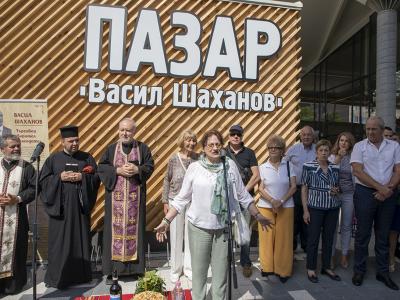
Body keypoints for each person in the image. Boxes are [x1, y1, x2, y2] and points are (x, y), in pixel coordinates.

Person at [155, 130, 272, 300]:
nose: (215, 148)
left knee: (220, 274)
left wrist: (258, 215)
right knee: (199, 273)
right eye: (211, 144)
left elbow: (242, 194)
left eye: (218, 144)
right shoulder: (195, 168)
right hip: (199, 229)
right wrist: (166, 221)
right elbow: (181, 199)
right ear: (204, 147)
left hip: (223, 229)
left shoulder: (229, 166)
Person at [40, 125, 100, 289]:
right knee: (59, 244)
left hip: (80, 210)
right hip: (60, 210)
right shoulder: (53, 159)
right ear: (62, 142)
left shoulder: (87, 158)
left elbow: (96, 178)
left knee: (80, 240)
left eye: (76, 140)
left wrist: (82, 177)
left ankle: (81, 276)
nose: (74, 143)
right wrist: (60, 177)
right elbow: (43, 182)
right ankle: (58, 277)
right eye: (70, 141)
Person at [98, 118, 154, 283]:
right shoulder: (111, 149)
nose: (125, 133)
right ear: (118, 130)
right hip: (115, 203)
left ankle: (135, 270)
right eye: (122, 130)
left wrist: (137, 169)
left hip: (134, 204)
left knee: (135, 233)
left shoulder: (142, 148)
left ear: (134, 131)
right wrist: (117, 170)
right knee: (113, 234)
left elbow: (150, 166)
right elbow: (102, 167)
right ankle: (113, 271)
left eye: (128, 130)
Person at [351, 116, 400, 290]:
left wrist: (389, 188)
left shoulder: (394, 146)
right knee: (362, 235)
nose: (370, 132)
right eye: (368, 129)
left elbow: (398, 170)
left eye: (374, 129)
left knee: (383, 235)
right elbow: (358, 171)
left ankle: (383, 272)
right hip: (365, 193)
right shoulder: (359, 146)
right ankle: (359, 271)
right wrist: (381, 188)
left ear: (381, 129)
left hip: (388, 194)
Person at [258, 135, 296, 282]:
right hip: (265, 206)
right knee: (266, 238)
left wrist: (280, 201)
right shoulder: (262, 167)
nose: (273, 150)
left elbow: (293, 187)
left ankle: (283, 270)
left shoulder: (288, 165)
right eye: (270, 147)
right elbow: (260, 188)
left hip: (286, 205)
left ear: (282, 150)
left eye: (277, 147)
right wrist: (273, 201)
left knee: (284, 239)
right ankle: (266, 267)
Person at [302, 139, 341, 283]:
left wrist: (337, 190)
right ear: (316, 152)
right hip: (315, 207)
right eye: (321, 150)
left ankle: (326, 267)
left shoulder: (335, 167)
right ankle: (311, 268)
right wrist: (305, 210)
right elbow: (304, 188)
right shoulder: (308, 166)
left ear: (329, 152)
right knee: (313, 239)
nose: (324, 153)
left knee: (329, 238)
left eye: (326, 150)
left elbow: (337, 187)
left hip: (332, 207)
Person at [0, 135, 35, 295]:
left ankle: (14, 286)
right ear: (2, 149)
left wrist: (18, 198)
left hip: (18, 218)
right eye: (12, 146)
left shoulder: (27, 167)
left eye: (18, 146)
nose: (16, 149)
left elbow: (34, 189)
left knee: (17, 251)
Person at [162, 129, 198, 283]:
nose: (191, 143)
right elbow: (166, 179)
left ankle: (189, 269)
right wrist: (165, 201)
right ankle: (175, 270)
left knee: (191, 236)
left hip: (193, 201)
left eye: (193, 140)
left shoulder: (199, 158)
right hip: (175, 201)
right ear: (182, 141)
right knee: (176, 235)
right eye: (188, 140)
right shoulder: (173, 159)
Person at [224, 124, 260, 278]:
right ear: (229, 136)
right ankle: (226, 261)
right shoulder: (222, 152)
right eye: (233, 134)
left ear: (242, 136)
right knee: (226, 231)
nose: (236, 136)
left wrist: (243, 192)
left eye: (238, 134)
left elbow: (256, 175)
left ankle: (245, 262)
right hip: (227, 199)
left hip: (245, 199)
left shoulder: (250, 153)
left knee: (245, 231)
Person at [286, 125, 316, 252]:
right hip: (296, 190)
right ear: (300, 136)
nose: (306, 137)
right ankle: (291, 249)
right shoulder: (293, 150)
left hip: (313, 190)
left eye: (309, 134)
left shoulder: (318, 150)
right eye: (304, 135)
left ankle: (307, 248)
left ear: (313, 136)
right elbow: (283, 165)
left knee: (310, 221)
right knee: (294, 220)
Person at [329, 132, 355, 269]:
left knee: (346, 225)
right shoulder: (332, 156)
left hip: (349, 194)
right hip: (334, 194)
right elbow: (330, 171)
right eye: (341, 140)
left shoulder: (354, 157)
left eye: (346, 141)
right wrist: (339, 157)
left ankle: (344, 254)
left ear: (350, 143)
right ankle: (332, 255)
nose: (343, 143)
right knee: (333, 226)